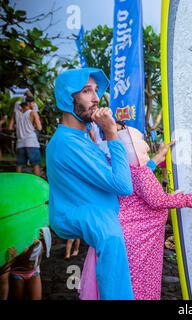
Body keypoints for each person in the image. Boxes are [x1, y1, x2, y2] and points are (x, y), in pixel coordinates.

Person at [79, 126, 192, 300]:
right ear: (133, 150)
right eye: (141, 146)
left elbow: (140, 184)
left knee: (123, 283)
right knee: (139, 284)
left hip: (123, 236)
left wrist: (158, 158)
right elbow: (156, 200)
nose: (145, 146)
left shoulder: (119, 170)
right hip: (138, 241)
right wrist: (191, 199)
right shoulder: (141, 173)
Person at [46, 67, 134, 300]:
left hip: (103, 221)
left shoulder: (81, 136)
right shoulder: (67, 143)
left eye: (96, 90)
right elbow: (123, 186)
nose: (96, 98)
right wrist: (111, 132)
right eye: (86, 91)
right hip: (102, 227)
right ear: (68, 98)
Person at [8, 99, 42, 176]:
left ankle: (18, 183)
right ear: (28, 104)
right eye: (33, 103)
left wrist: (18, 128)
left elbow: (10, 128)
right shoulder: (33, 113)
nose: (34, 105)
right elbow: (39, 128)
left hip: (20, 144)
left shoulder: (15, 113)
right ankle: (37, 184)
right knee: (36, 164)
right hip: (32, 143)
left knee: (19, 165)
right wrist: (33, 126)